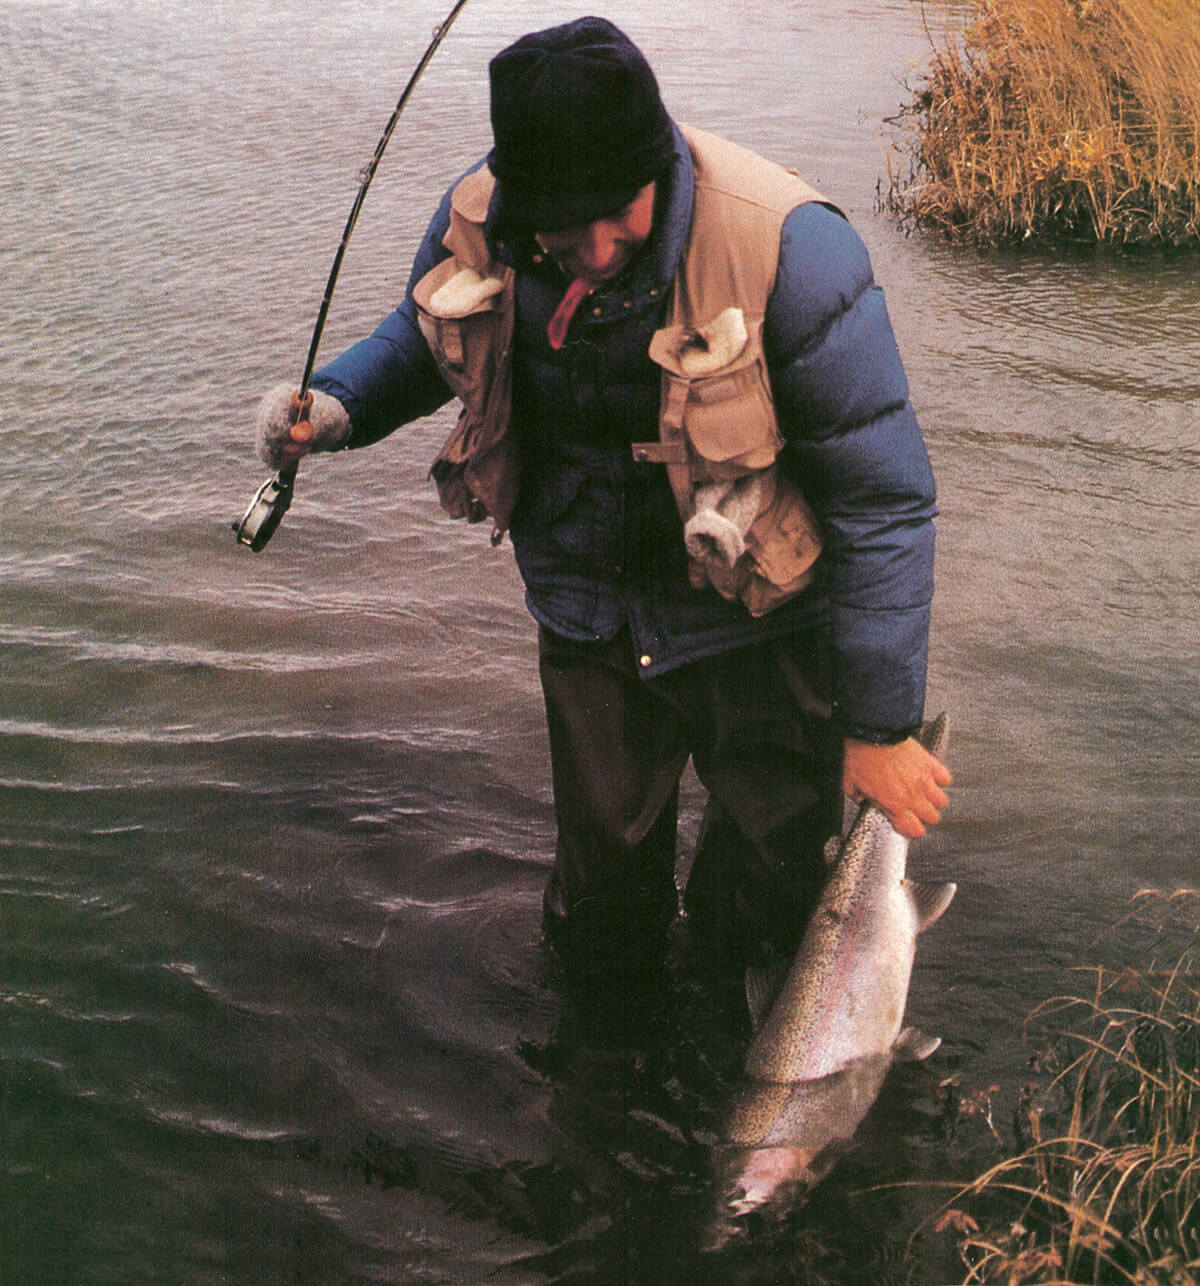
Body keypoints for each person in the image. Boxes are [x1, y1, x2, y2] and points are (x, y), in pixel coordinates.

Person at [254, 16, 951, 1013]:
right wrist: (332, 409)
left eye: (615, 214)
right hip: (590, 616)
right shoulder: (483, 220)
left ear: (655, 163)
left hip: (760, 622)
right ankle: (608, 1103)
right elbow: (420, 337)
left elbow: (886, 497)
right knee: (602, 924)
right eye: (561, 225)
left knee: (764, 914)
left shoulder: (792, 246)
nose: (593, 247)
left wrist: (881, 727)